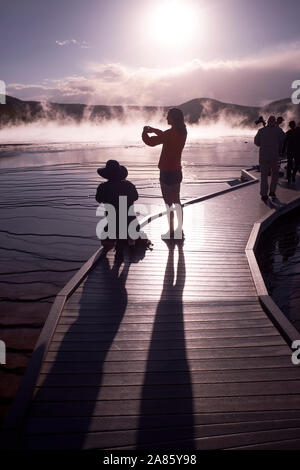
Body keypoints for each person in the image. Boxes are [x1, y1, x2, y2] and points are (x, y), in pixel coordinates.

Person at [142, 108, 187, 238]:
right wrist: (154, 130)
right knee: (176, 201)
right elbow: (164, 135)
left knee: (168, 203)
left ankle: (172, 232)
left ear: (174, 118)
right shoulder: (183, 132)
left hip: (166, 172)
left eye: (169, 117)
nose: (167, 119)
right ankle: (179, 230)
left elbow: (151, 142)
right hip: (177, 171)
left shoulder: (168, 135)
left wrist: (145, 133)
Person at [95, 160, 139, 257]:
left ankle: (114, 245)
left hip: (113, 224)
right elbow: (136, 197)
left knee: (105, 240)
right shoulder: (129, 185)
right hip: (130, 223)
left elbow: (98, 199)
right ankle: (131, 244)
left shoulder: (102, 187)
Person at [254, 115, 285, 201]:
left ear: (267, 122)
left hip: (263, 156)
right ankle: (272, 191)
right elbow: (283, 139)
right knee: (274, 174)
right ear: (274, 122)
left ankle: (264, 194)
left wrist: (263, 144)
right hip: (274, 156)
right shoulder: (278, 130)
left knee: (264, 175)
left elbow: (256, 142)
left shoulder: (261, 131)